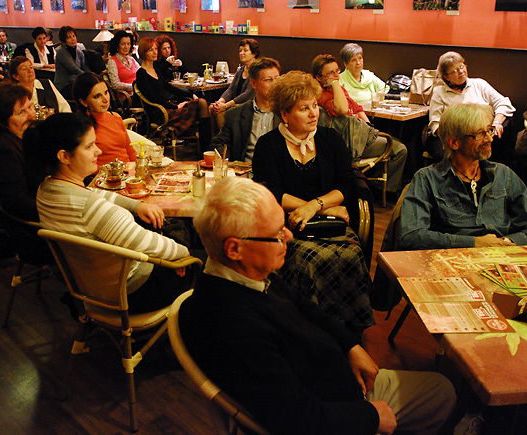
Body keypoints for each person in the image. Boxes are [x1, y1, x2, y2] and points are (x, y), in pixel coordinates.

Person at [181, 176, 457, 434]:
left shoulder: (245, 274)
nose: (289, 237)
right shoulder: (231, 324)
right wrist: (371, 417)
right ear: (234, 249)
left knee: (443, 387)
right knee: (446, 392)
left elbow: (304, 306)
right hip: (339, 409)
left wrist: (350, 345)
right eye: (277, 234)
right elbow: (297, 418)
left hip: (339, 382)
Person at [25, 113, 193, 313]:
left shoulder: (46, 189)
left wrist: (136, 206)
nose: (99, 150)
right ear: (64, 156)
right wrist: (183, 254)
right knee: (200, 261)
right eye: (89, 146)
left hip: (89, 285)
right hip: (131, 293)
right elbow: (145, 243)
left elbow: (96, 193)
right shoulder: (89, 207)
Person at [252, 70, 374, 334]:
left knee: (352, 254)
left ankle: (350, 328)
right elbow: (274, 193)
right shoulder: (268, 145)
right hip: (288, 225)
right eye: (303, 108)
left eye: (314, 106)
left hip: (331, 222)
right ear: (285, 114)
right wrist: (323, 207)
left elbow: (346, 186)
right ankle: (308, 327)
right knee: (309, 259)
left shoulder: (331, 139)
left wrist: (313, 206)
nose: (313, 114)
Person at [401, 103, 527, 250]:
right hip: (451, 260)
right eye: (480, 134)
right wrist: (475, 243)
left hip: (502, 257)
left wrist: (506, 242)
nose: (489, 139)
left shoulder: (503, 175)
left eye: (489, 131)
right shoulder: (427, 179)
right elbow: (411, 236)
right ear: (454, 142)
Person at [312, 54, 407, 195]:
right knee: (400, 149)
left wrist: (368, 127)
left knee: (393, 141)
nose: (336, 75)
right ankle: (382, 191)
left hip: (359, 133)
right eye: (330, 73)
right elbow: (342, 109)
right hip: (349, 141)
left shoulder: (337, 89)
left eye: (337, 71)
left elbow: (356, 108)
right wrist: (335, 84)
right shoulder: (320, 94)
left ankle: (371, 185)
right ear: (319, 78)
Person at [427, 51, 515, 163]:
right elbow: (435, 123)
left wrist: (497, 122)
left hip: (482, 134)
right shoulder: (439, 93)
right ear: (446, 77)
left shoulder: (479, 84)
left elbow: (503, 103)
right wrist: (446, 139)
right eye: (455, 71)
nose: (461, 72)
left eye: (462, 67)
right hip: (456, 137)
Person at [135, 37, 212, 152]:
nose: (155, 52)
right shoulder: (141, 74)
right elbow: (153, 98)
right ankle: (206, 149)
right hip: (160, 112)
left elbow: (168, 87)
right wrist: (175, 106)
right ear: (143, 52)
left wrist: (191, 95)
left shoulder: (155, 68)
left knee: (203, 104)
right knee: (202, 104)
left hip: (168, 107)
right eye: (151, 50)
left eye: (156, 49)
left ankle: (206, 148)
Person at [0, 82, 38, 221]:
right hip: (34, 226)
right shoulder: (1, 151)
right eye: (21, 112)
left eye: (30, 107)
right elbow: (19, 205)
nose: (31, 115)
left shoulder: (30, 138)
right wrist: (64, 210)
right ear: (1, 121)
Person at [211, 57, 281, 163]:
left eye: (277, 79)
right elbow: (218, 143)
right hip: (245, 169)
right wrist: (229, 165)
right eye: (268, 80)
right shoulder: (235, 114)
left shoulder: (286, 113)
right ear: (253, 83)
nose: (274, 84)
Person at [72, 72, 136, 165]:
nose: (105, 99)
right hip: (106, 172)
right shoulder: (83, 127)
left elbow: (130, 150)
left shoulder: (115, 117)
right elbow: (84, 166)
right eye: (97, 96)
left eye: (106, 92)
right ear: (83, 102)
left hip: (129, 169)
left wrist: (138, 167)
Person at [209, 38, 260, 129]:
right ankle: (215, 137)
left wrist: (225, 106)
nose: (241, 53)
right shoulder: (240, 70)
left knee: (222, 112)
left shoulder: (257, 70)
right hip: (235, 104)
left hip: (248, 106)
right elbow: (230, 89)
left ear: (254, 53)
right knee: (212, 108)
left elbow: (247, 94)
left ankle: (226, 138)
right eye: (240, 50)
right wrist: (219, 102)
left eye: (245, 50)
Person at [54, 26, 89, 99]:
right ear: (64, 40)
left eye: (74, 36)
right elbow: (73, 68)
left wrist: (92, 75)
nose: (73, 39)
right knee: (83, 94)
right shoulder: (61, 52)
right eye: (69, 37)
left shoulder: (79, 52)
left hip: (76, 83)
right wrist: (87, 77)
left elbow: (84, 67)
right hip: (64, 85)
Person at [106, 30, 140, 96]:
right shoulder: (112, 61)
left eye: (128, 44)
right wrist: (133, 86)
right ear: (117, 45)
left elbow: (141, 72)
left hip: (138, 92)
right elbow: (115, 84)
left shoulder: (131, 59)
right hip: (126, 96)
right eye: (123, 44)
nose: (126, 47)